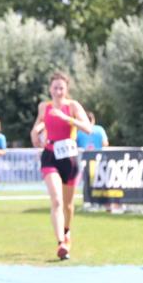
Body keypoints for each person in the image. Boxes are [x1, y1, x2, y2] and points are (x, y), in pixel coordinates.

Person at [30, 71, 92, 261]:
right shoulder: (44, 107)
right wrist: (36, 134)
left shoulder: (72, 106)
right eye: (55, 88)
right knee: (56, 200)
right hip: (50, 155)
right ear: (50, 89)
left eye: (61, 88)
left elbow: (88, 128)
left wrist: (68, 119)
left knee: (68, 205)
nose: (58, 91)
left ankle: (66, 231)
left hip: (69, 158)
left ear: (66, 90)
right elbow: (36, 128)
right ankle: (60, 244)